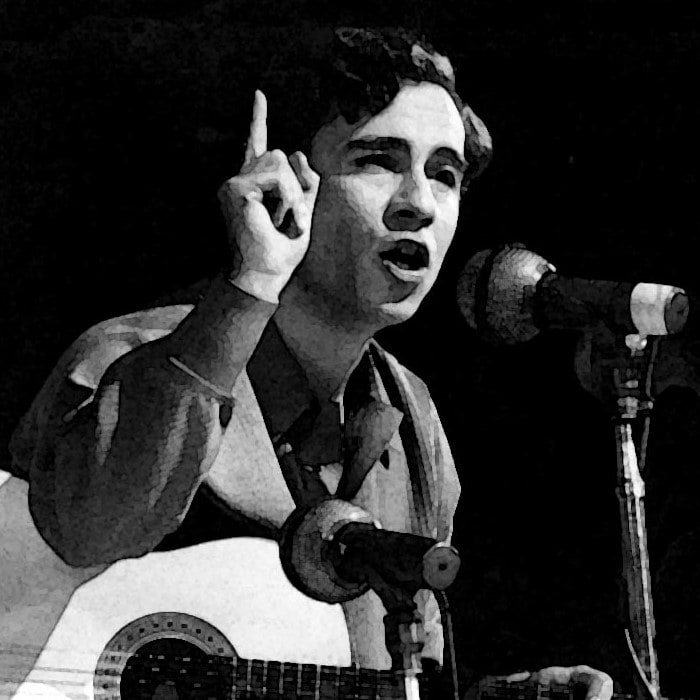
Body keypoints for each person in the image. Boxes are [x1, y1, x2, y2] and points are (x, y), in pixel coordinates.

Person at [7, 26, 613, 699]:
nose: (418, 203)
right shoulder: (133, 356)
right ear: (286, 177)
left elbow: (393, 679)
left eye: (445, 175)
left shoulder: (412, 420)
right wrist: (250, 285)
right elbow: (87, 528)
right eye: (378, 161)